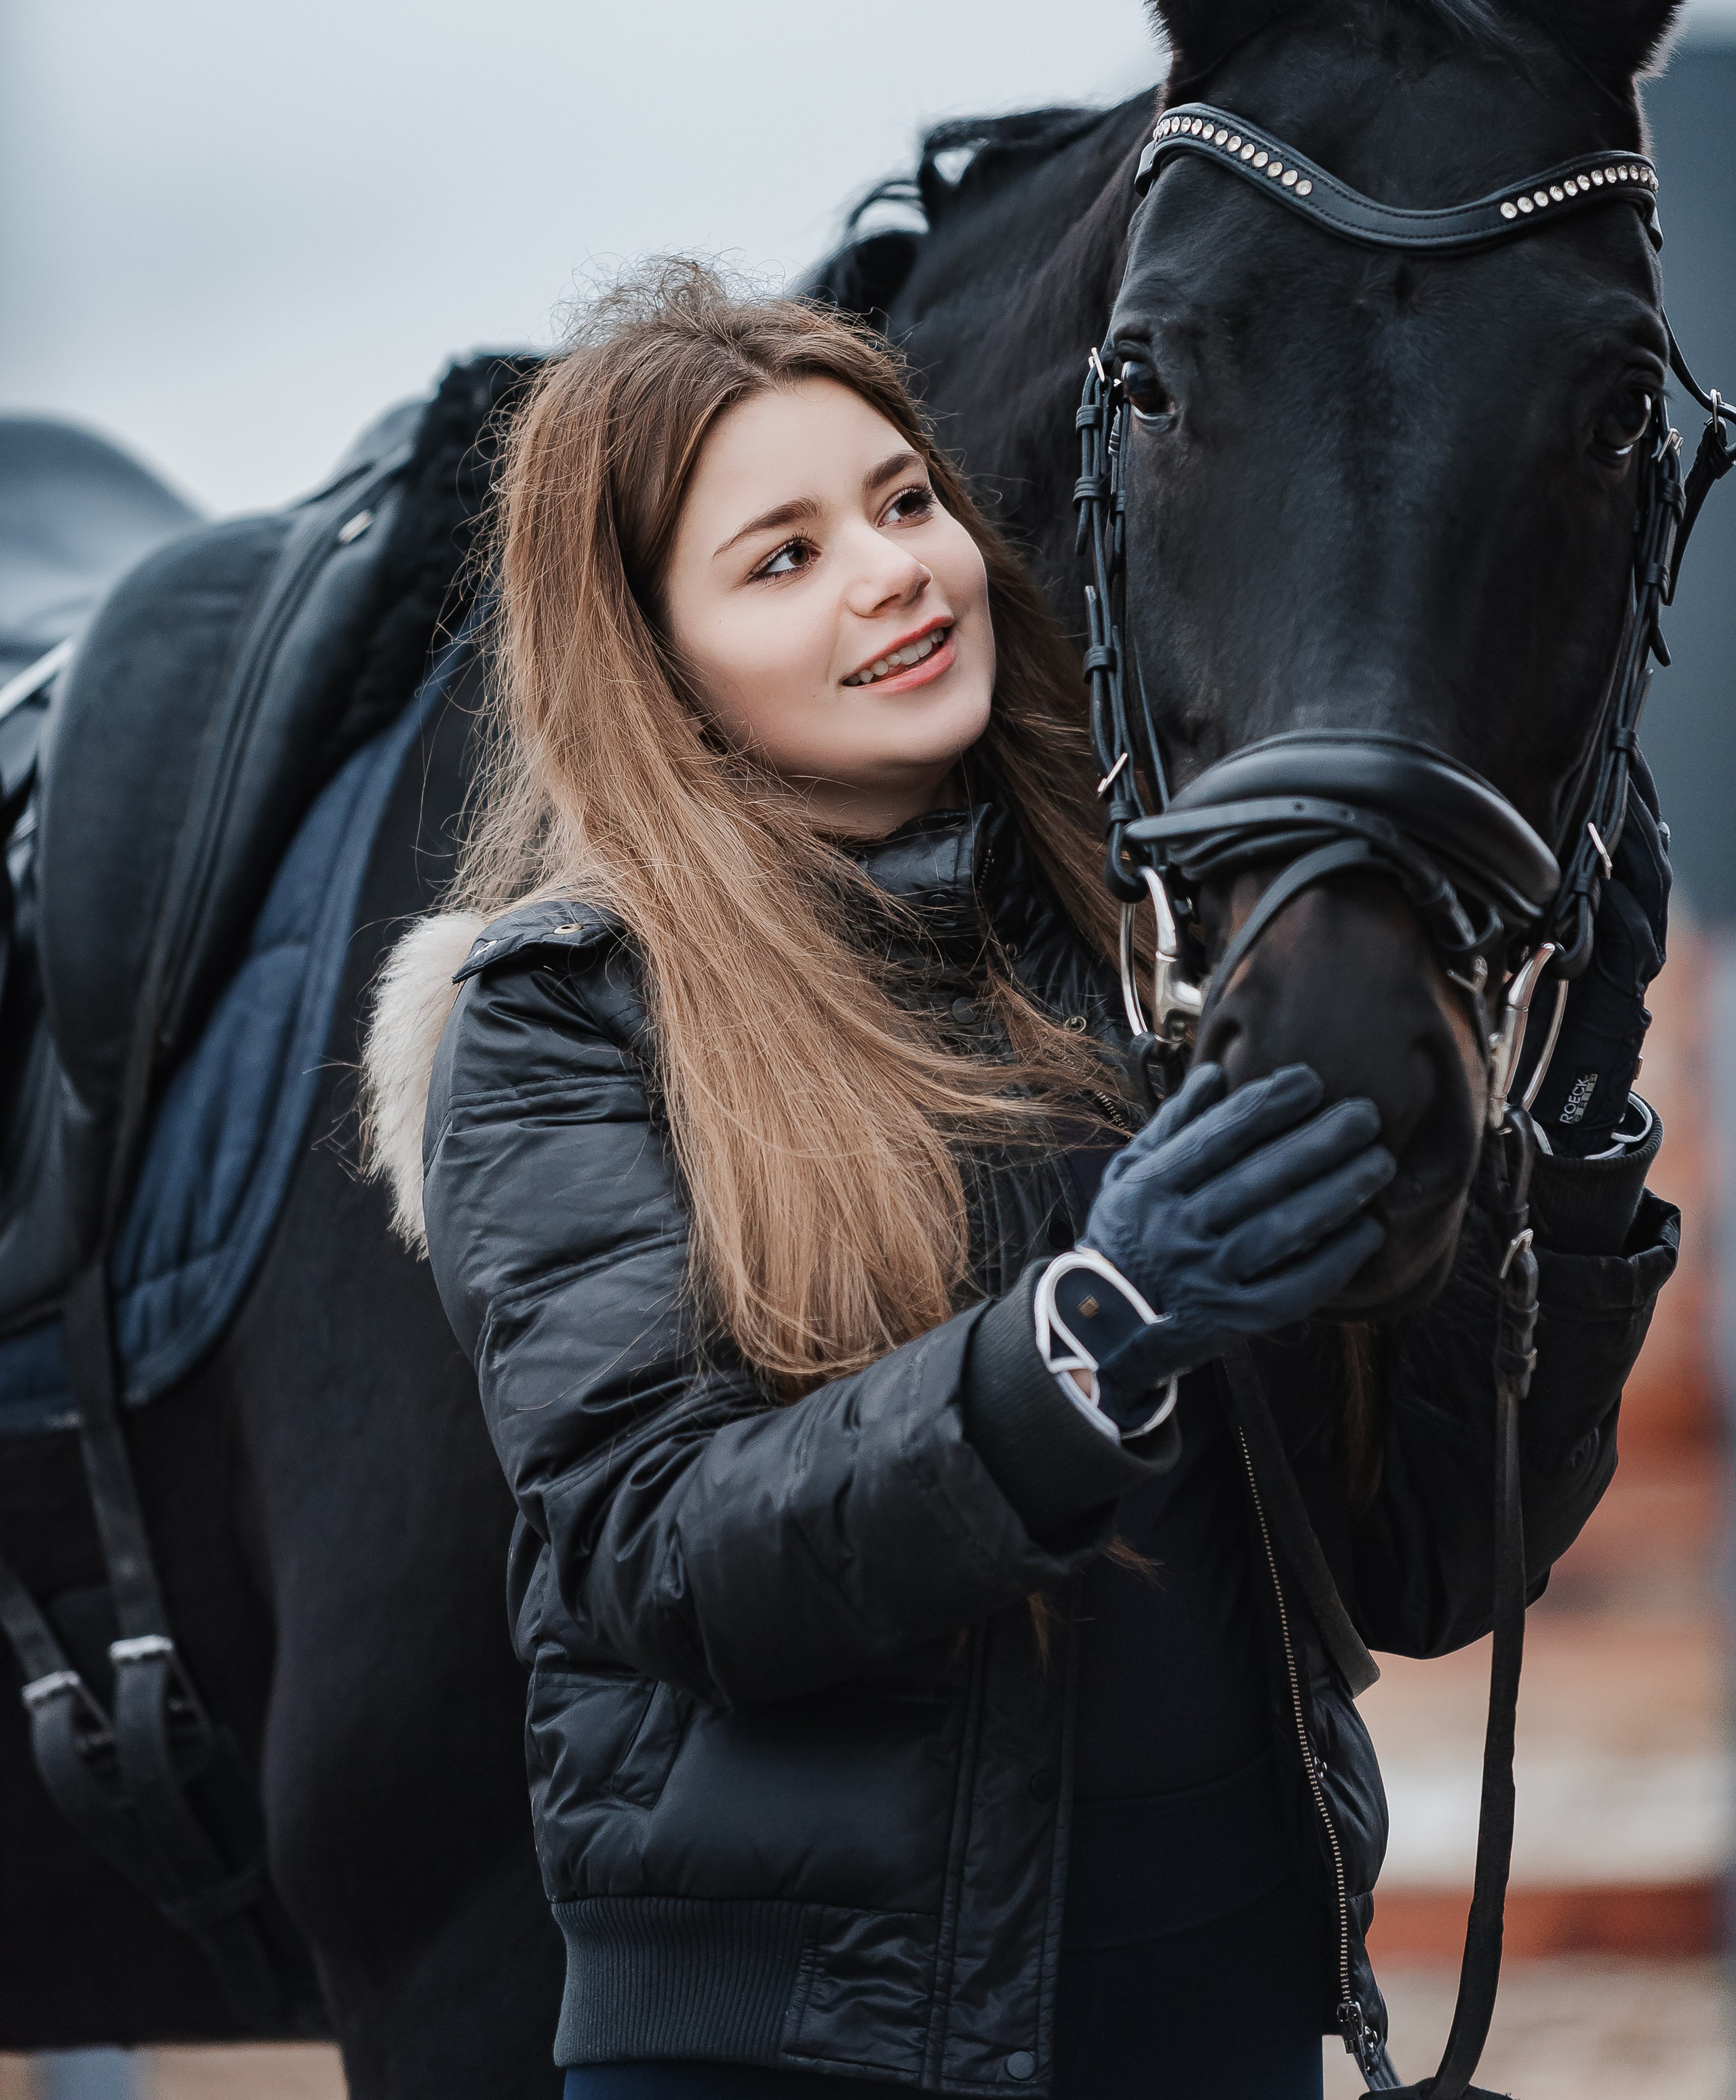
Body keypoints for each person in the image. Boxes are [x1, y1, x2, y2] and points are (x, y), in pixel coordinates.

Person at [363, 264, 1676, 2100]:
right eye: (784, 555)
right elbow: (675, 1551)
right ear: (656, 665)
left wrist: (1564, 1110)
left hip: (1221, 2025)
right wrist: (1082, 1340)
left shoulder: (1161, 962)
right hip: (798, 2060)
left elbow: (1435, 1556)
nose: (894, 567)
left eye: (906, 501)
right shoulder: (568, 1019)